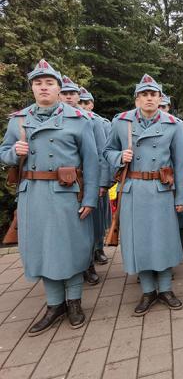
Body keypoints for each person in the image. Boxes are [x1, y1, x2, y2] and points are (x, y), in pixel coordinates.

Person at [0, 59, 99, 335]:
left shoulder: (77, 120)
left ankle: (75, 302)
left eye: (49, 83)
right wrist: (12, 154)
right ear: (32, 88)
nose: (43, 87)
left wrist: (90, 198)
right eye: (38, 83)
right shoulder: (19, 121)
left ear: (59, 88)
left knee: (71, 246)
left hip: (68, 193)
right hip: (33, 195)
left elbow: (91, 163)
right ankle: (54, 305)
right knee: (42, 248)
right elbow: (3, 152)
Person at [104, 74, 183, 315]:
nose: (149, 98)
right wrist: (120, 157)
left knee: (162, 240)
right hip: (134, 190)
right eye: (144, 94)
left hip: (162, 190)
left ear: (160, 98)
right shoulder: (121, 122)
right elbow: (107, 151)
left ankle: (165, 289)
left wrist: (181, 197)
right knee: (139, 241)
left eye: (153, 94)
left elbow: (182, 164)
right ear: (137, 99)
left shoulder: (174, 124)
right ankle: (147, 291)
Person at [59, 76, 109, 285]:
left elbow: (101, 154)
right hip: (59, 184)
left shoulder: (93, 121)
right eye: (65, 93)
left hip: (84, 181)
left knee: (87, 225)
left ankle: (88, 264)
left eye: (73, 94)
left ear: (79, 96)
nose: (69, 97)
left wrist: (102, 183)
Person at [78, 87, 112, 267]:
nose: (82, 105)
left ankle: (98, 247)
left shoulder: (101, 123)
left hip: (95, 178)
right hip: (73, 180)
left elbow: (104, 154)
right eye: (80, 102)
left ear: (91, 104)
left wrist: (104, 181)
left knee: (97, 217)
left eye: (86, 102)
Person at [158, 94, 183, 260]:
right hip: (155, 182)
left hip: (172, 181)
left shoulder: (175, 125)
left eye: (164, 107)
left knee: (180, 218)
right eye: (160, 107)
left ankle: (182, 244)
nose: (162, 110)